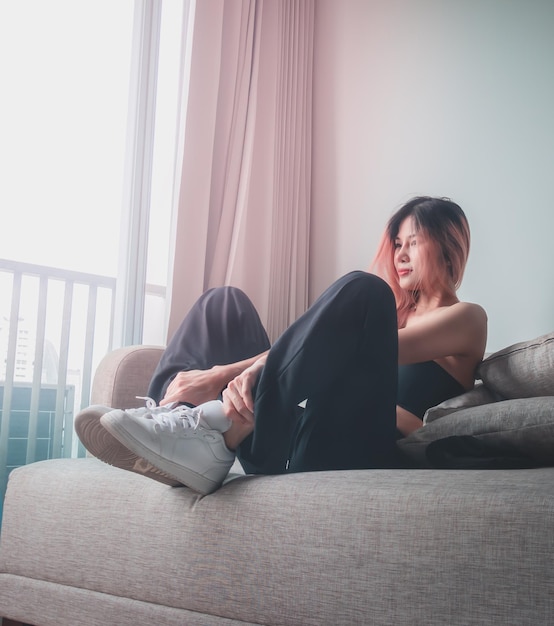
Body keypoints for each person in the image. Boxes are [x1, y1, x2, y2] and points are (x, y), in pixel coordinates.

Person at [76, 196, 487, 494]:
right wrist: (250, 373)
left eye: (413, 241)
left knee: (365, 289)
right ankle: (168, 427)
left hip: (355, 447)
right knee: (222, 305)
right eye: (396, 243)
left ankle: (213, 430)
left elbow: (416, 425)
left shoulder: (467, 319)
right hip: (294, 433)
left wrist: (226, 374)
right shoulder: (390, 316)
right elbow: (313, 351)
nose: (400, 253)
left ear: (449, 246)